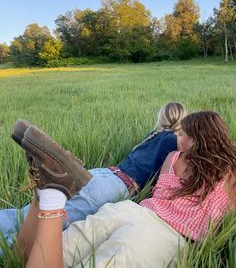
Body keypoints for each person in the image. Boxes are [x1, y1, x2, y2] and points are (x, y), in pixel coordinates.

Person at [15, 111, 236, 267]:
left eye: (182, 134)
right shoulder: (232, 172)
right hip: (164, 237)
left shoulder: (174, 158)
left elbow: (159, 193)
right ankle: (51, 195)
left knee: (48, 253)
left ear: (195, 137)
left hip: (129, 210)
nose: (177, 138)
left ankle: (46, 195)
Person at [0, 102, 187, 249]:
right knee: (49, 225)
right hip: (118, 187)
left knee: (25, 214)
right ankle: (9, 250)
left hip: (103, 174)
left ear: (162, 116)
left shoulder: (154, 134)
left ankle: (54, 169)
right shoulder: (174, 142)